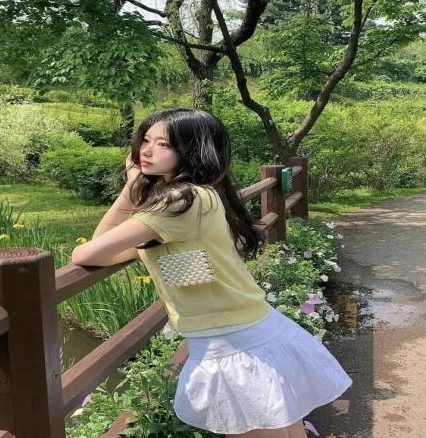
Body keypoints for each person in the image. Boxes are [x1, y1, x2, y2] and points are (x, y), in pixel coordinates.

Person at [71, 107, 353, 437]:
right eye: (145, 140)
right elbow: (116, 250)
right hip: (253, 332)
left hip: (233, 345)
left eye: (163, 144)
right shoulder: (202, 193)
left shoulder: (178, 201)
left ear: (193, 150)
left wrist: (131, 186)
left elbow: (87, 252)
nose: (146, 151)